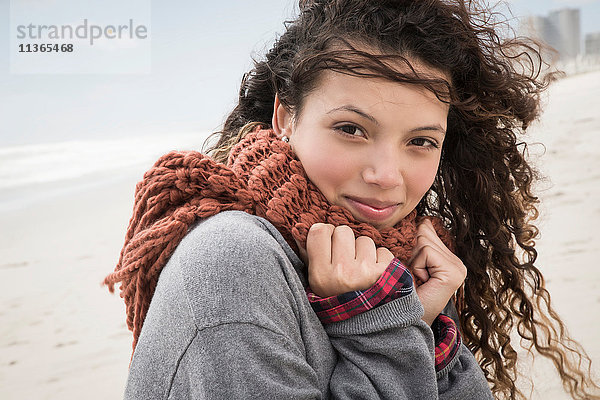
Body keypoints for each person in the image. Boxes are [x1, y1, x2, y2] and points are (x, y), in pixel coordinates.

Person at [105, 0, 600, 399]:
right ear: (284, 116)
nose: (386, 176)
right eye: (351, 129)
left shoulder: (395, 261)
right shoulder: (233, 259)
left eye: (420, 141)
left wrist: (420, 322)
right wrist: (381, 329)